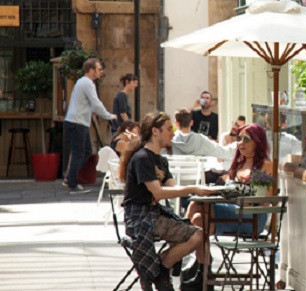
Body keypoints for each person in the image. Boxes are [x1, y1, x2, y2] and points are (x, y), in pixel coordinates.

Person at [119, 112, 216, 290]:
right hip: (139, 218)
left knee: (198, 235)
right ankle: (160, 272)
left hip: (156, 215)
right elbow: (159, 192)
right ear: (155, 131)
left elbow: (172, 189)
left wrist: (205, 192)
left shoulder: (161, 160)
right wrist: (193, 188)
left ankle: (159, 269)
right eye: (169, 129)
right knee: (196, 236)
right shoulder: (142, 158)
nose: (173, 133)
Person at [63, 58, 117, 194]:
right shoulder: (87, 83)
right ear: (91, 70)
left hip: (79, 122)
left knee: (86, 150)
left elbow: (91, 105)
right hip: (77, 122)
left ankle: (70, 178)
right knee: (79, 153)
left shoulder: (83, 82)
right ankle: (72, 184)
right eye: (99, 69)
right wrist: (109, 116)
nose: (101, 72)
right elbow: (96, 103)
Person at [171, 108, 237, 159]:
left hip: (175, 175)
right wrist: (238, 144)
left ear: (176, 123)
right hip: (195, 175)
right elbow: (223, 152)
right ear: (191, 123)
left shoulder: (170, 141)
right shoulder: (200, 140)